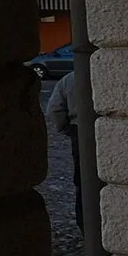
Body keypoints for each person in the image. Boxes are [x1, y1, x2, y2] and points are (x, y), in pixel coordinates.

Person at [45, 70, 81, 230]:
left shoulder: (69, 79)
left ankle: (86, 225)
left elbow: (54, 110)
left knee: (82, 181)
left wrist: (67, 129)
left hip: (78, 130)